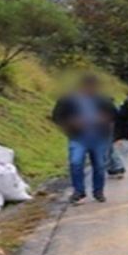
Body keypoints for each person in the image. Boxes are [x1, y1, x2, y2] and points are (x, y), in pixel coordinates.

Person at [51, 74, 118, 204]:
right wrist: (71, 122)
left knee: (99, 165)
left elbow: (114, 115)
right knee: (76, 163)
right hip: (78, 137)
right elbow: (57, 116)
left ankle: (98, 191)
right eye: (88, 87)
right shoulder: (68, 100)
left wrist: (104, 118)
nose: (91, 90)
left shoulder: (103, 100)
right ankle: (79, 191)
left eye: (93, 87)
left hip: (99, 136)